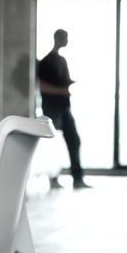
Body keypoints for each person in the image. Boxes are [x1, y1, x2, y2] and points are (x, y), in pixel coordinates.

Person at [37, 29, 89, 189]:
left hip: (65, 107)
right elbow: (42, 87)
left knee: (74, 141)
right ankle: (53, 179)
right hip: (52, 109)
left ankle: (78, 179)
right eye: (65, 38)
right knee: (53, 144)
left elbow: (63, 82)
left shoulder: (62, 60)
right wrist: (61, 91)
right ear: (58, 38)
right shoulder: (46, 62)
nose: (67, 40)